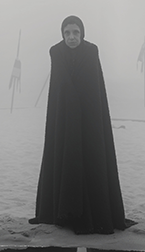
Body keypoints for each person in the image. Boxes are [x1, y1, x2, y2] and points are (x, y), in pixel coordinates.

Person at [29, 16, 136, 235]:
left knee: (91, 159)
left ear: (82, 33)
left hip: (89, 118)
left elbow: (92, 86)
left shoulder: (91, 51)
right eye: (67, 32)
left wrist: (83, 111)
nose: (71, 37)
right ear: (62, 34)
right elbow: (60, 86)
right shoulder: (55, 52)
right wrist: (69, 109)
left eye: (75, 32)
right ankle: (63, 212)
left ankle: (94, 212)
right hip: (64, 118)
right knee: (64, 157)